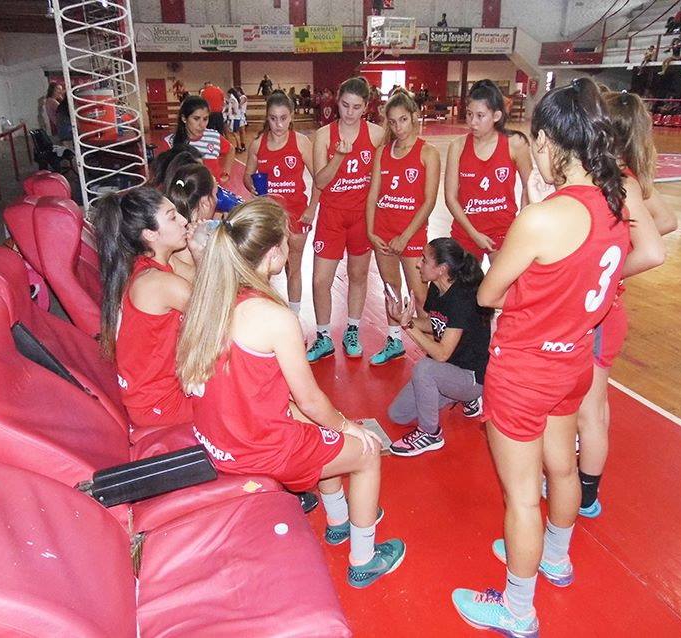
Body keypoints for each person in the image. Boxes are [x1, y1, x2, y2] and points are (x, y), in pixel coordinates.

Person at [451, 78, 632, 635]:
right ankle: (555, 557)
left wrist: (534, 210)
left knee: (522, 497)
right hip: (573, 362)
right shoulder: (616, 203)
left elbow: (487, 295)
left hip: (525, 370)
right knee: (562, 466)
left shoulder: (544, 218)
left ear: (551, 142)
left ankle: (518, 608)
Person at [176, 199, 406, 588]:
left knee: (320, 435)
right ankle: (364, 559)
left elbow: (275, 397)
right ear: (272, 255)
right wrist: (352, 428)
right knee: (365, 454)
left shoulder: (208, 299)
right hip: (259, 450)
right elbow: (312, 399)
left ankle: (337, 523)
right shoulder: (274, 318)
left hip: (218, 442)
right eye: (286, 241)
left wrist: (332, 427)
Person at [574, 91, 677, 518]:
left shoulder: (617, 179)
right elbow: (667, 221)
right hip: (603, 313)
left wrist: (609, 271)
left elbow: (655, 248)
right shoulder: (624, 176)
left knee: (589, 413)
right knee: (594, 407)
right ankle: (583, 484)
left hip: (601, 314)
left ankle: (584, 496)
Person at [94, 187, 194, 431]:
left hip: (156, 393)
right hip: (161, 404)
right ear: (150, 233)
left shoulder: (149, 263)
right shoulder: (157, 283)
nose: (184, 220)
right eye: (172, 217)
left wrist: (198, 251)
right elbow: (222, 314)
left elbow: (198, 279)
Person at [385, 238, 491, 455]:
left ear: (442, 269)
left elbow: (441, 354)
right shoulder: (437, 287)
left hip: (471, 377)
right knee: (398, 414)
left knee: (424, 368)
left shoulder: (462, 298)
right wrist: (407, 319)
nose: (417, 264)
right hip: (451, 370)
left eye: (424, 260)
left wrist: (407, 327)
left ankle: (430, 434)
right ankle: (464, 398)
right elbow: (436, 325)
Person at [306, 77, 385, 362]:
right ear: (336, 101)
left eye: (356, 107)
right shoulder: (325, 136)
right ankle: (324, 336)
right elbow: (321, 181)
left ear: (366, 107)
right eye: (344, 105)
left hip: (362, 217)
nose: (349, 112)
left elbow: (383, 175)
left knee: (358, 276)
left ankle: (352, 330)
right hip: (332, 216)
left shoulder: (376, 134)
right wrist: (339, 156)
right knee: (319, 280)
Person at [365, 90, 440, 365]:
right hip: (383, 234)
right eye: (393, 122)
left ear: (415, 118)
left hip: (412, 235)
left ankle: (434, 350)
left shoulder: (428, 153)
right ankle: (394, 340)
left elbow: (429, 201)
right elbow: (373, 195)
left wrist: (405, 236)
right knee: (391, 289)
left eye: (403, 120)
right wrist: (372, 232)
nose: (398, 127)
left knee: (420, 297)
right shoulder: (382, 153)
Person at [244, 91, 319, 316]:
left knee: (292, 268)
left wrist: (311, 208)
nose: (278, 124)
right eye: (273, 118)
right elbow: (247, 175)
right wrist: (252, 185)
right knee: (263, 267)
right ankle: (265, 314)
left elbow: (319, 178)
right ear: (267, 117)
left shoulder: (301, 142)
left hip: (297, 212)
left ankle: (293, 317)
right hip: (270, 215)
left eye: (284, 118)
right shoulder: (258, 145)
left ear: (292, 116)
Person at [444, 79, 533, 262]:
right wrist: (474, 233)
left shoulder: (515, 143)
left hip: (502, 231)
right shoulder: (458, 146)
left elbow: (529, 186)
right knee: (466, 288)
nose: (472, 122)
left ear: (496, 116)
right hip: (466, 231)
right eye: (469, 114)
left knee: (501, 289)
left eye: (480, 115)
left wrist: (521, 225)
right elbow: (450, 198)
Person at [172, 95, 235, 185]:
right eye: (196, 119)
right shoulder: (172, 142)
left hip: (214, 192)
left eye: (205, 119)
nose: (202, 125)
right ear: (184, 118)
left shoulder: (213, 136)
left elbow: (231, 150)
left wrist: (226, 173)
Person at [225, 88, 244, 153]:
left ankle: (239, 147)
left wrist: (230, 113)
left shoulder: (232, 99)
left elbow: (233, 109)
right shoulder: (236, 99)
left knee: (235, 133)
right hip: (237, 118)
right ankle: (239, 146)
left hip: (234, 118)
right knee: (236, 133)